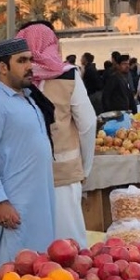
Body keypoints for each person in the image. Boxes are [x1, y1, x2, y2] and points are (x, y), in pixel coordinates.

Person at [0, 37, 55, 268]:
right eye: (21, 61)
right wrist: (0, 201)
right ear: (3, 67)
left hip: (38, 203)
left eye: (30, 60)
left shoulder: (28, 100)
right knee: (9, 272)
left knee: (36, 272)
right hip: (12, 207)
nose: (29, 66)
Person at [20, 21, 96, 247]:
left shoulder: (18, 79)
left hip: (26, 172)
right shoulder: (68, 76)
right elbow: (88, 123)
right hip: (64, 171)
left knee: (34, 243)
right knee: (69, 241)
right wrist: (86, 166)